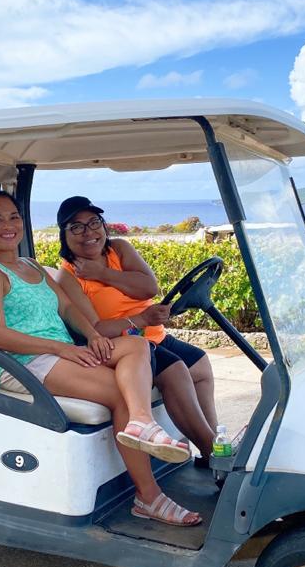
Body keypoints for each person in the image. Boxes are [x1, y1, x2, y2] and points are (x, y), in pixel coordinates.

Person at [0, 190, 201, 527]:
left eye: (14, 217)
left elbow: (66, 307)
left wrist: (92, 336)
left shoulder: (30, 265)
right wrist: (61, 348)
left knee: (136, 346)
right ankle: (148, 498)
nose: (8, 225)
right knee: (119, 389)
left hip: (62, 354)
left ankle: (140, 421)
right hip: (25, 363)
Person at [53, 196, 222, 459]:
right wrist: (141, 319)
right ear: (64, 235)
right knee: (175, 370)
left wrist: (102, 274)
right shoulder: (68, 276)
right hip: (123, 346)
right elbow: (95, 330)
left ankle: (211, 446)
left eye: (94, 222)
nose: (88, 232)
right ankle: (214, 453)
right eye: (76, 227)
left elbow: (149, 288)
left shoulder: (119, 249)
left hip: (154, 336)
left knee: (200, 364)